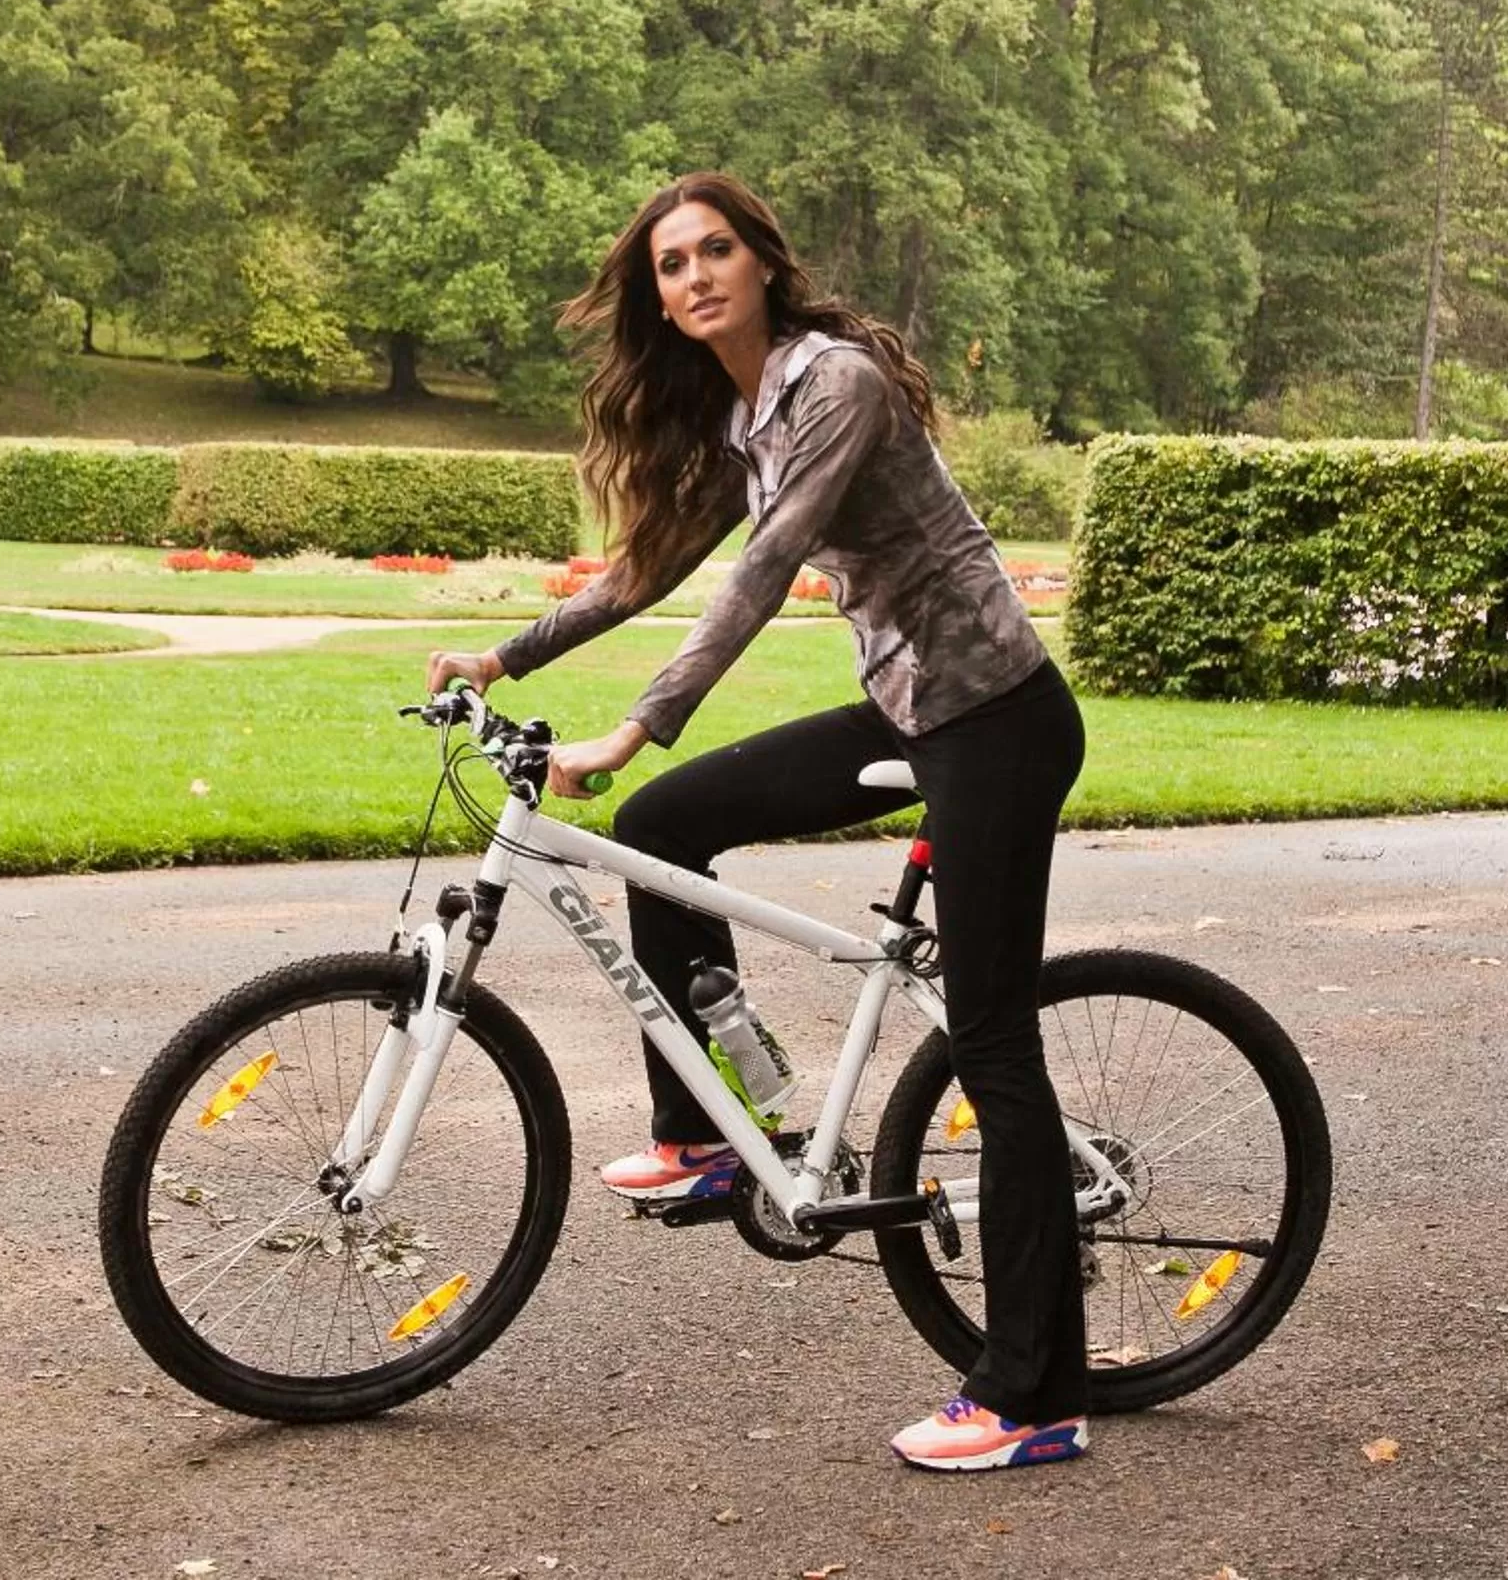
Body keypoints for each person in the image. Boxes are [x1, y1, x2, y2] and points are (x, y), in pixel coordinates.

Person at [423, 172, 1090, 1475]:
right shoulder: (749, 416)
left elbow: (764, 570)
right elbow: (646, 566)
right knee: (669, 824)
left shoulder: (832, 385)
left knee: (993, 1042)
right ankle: (711, 1137)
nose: (692, 277)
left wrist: (632, 725)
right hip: (912, 712)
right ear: (660, 299)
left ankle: (1033, 1392)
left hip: (997, 722)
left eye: (713, 250)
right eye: (670, 265)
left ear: (764, 265)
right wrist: (504, 661)